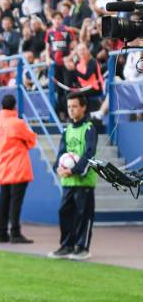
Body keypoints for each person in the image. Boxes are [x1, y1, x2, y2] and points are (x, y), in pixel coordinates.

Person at [49, 93, 98, 260]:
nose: (71, 110)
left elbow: (90, 153)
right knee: (64, 212)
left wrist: (75, 169)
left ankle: (82, 247)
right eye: (69, 107)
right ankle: (66, 245)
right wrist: (58, 167)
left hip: (84, 180)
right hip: (68, 180)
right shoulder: (67, 130)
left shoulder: (89, 128)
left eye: (74, 106)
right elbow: (62, 152)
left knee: (83, 214)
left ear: (83, 107)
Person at [0, 94, 37, 244]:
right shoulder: (17, 123)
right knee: (15, 203)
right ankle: (15, 233)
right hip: (18, 166)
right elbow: (31, 140)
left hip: (3, 166)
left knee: (3, 201)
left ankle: (1, 233)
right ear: (14, 106)